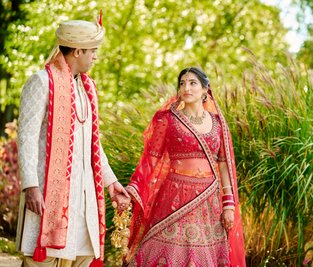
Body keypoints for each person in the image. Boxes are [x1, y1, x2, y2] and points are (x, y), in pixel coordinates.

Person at [16, 15, 129, 267]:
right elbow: (26, 137)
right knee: (44, 260)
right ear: (77, 51)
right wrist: (30, 185)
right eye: (93, 51)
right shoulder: (41, 82)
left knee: (82, 255)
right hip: (48, 192)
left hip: (84, 194)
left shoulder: (87, 87)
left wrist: (111, 182)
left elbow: (93, 143)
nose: (95, 57)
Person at [121, 67, 246, 266]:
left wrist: (228, 204)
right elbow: (150, 160)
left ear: (205, 89)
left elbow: (224, 165)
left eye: (192, 83)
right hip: (174, 196)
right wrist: (134, 186)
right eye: (182, 83)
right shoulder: (167, 120)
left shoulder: (218, 123)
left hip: (209, 201)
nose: (186, 87)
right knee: (167, 251)